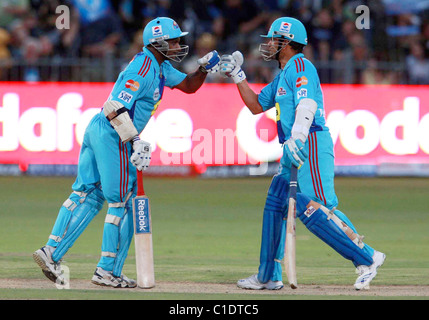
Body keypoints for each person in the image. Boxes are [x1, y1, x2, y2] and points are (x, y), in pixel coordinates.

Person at [33, 17, 220, 288]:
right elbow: (113, 107)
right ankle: (107, 270)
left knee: (87, 194)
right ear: (157, 43)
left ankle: (51, 252)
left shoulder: (161, 66)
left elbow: (189, 86)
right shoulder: (143, 68)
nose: (179, 44)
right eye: (174, 40)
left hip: (99, 130)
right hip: (113, 134)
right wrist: (133, 139)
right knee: (124, 202)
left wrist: (204, 68)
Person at [220, 17, 385, 290]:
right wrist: (238, 75)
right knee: (277, 201)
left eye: (274, 39)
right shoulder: (283, 74)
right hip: (293, 146)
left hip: (310, 143)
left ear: (286, 42)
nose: (269, 43)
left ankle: (367, 258)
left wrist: (298, 137)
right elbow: (255, 106)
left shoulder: (301, 65)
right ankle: (268, 275)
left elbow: (307, 102)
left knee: (319, 209)